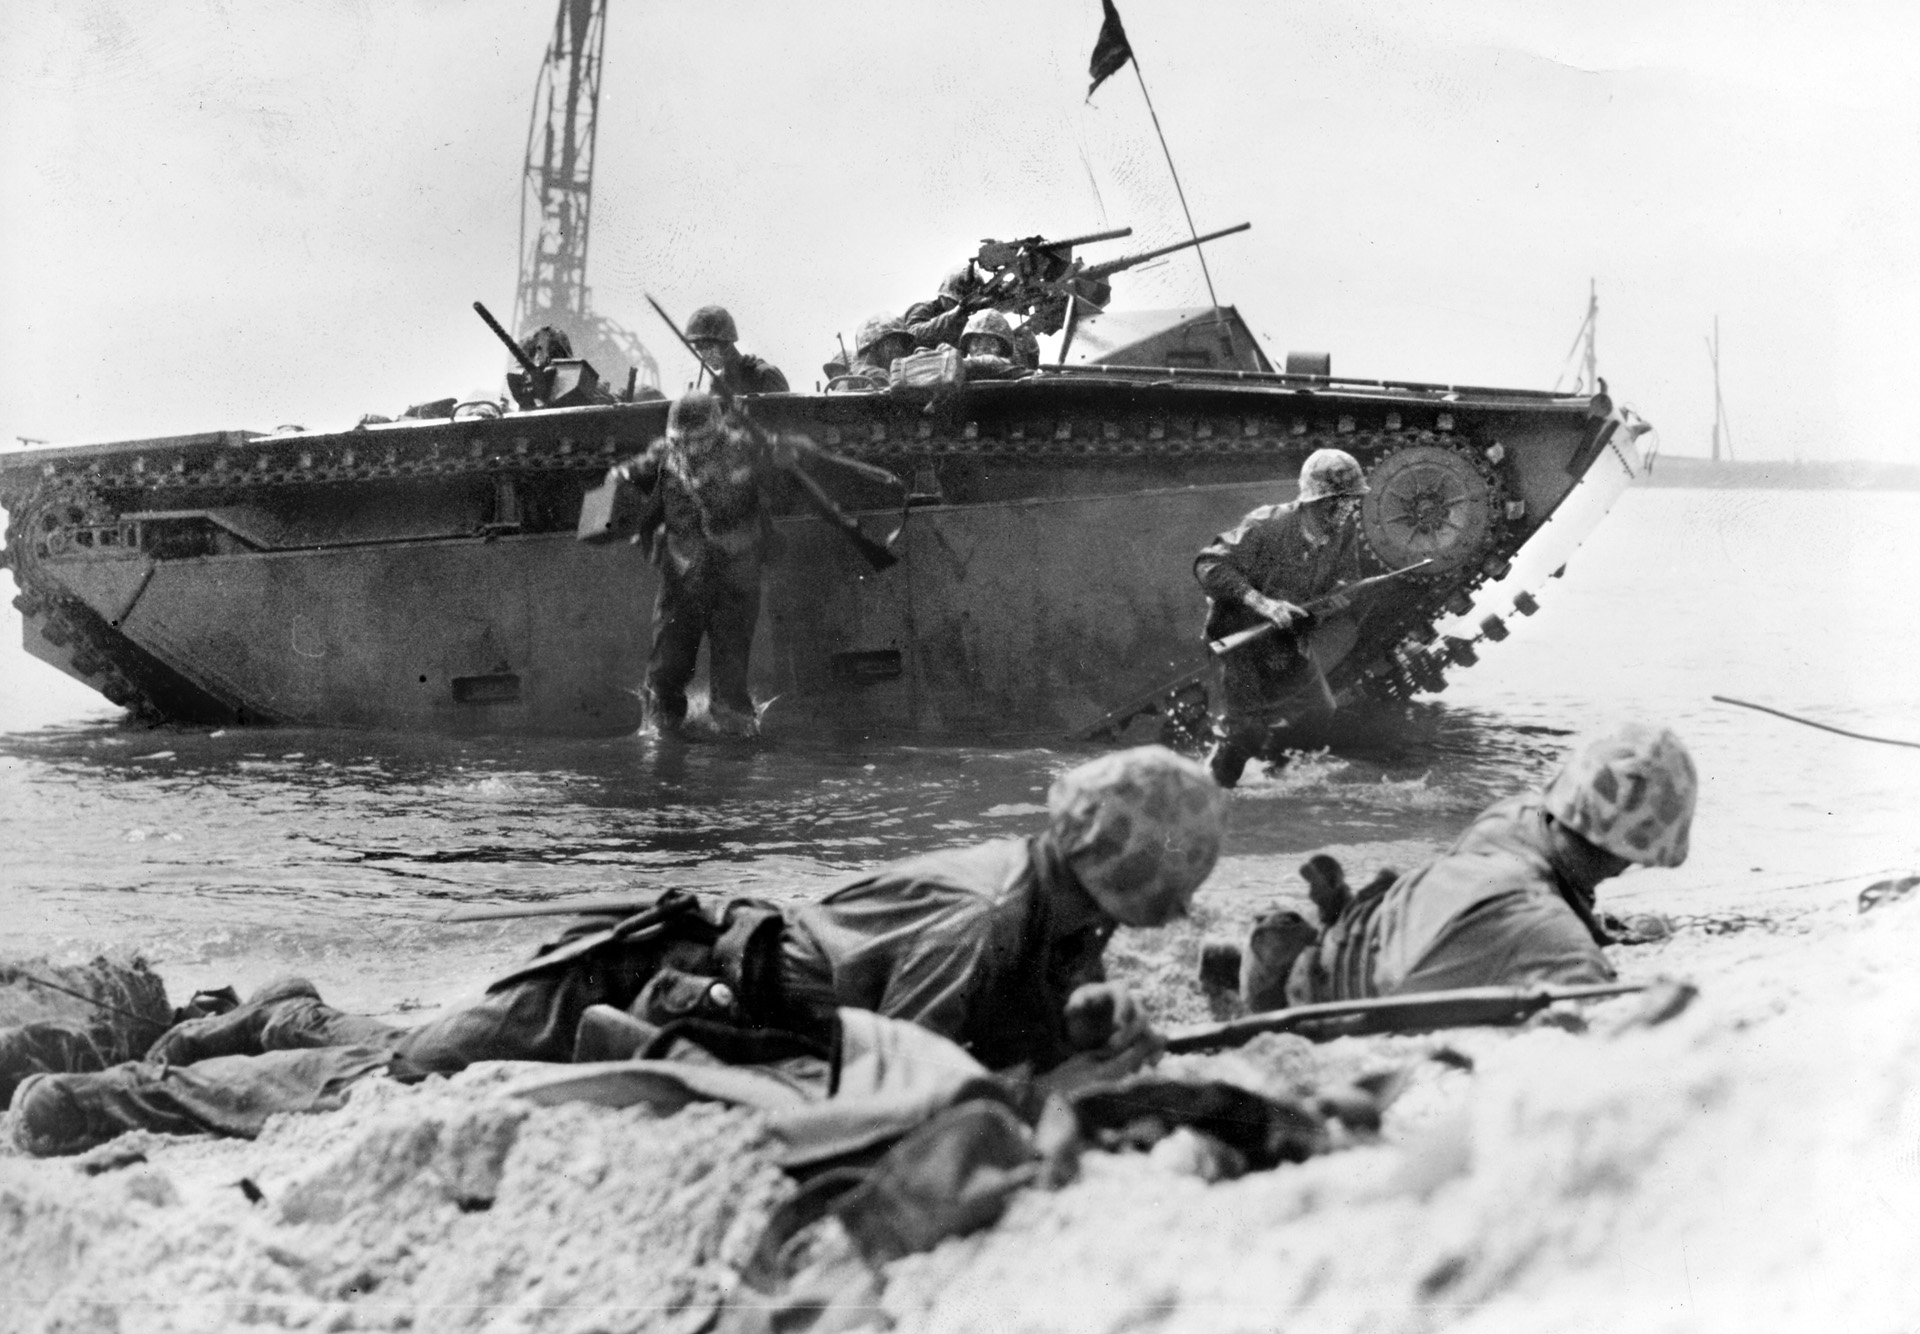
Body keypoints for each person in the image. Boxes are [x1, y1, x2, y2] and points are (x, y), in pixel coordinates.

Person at [9, 747, 1228, 1154]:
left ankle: (284, 1010)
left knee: (418, 1050)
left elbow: (1017, 1012)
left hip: (697, 977)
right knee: (403, 1076)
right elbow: (906, 1087)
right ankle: (104, 1095)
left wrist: (1087, 1030)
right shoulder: (986, 915)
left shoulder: (1045, 897)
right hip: (639, 975)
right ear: (1121, 868)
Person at [1243, 723, 1698, 1010]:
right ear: (1631, 858)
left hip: (1321, 948)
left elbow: (1485, 912)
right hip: (1315, 1007)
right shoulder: (1555, 941)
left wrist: (1599, 931)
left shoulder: (1510, 817)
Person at [606, 390, 798, 739]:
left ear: (718, 430)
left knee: (731, 665)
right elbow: (631, 475)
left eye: (700, 441)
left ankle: (735, 731)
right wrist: (618, 478)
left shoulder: (746, 450)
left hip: (736, 574)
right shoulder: (665, 454)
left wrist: (782, 463)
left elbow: (781, 496)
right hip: (683, 575)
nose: (691, 448)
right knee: (667, 664)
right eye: (684, 441)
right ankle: (661, 729)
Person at [1193, 448, 1372, 788]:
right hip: (1239, 639)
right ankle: (1213, 792)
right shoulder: (1267, 525)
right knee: (1244, 731)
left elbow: (1348, 580)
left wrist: (1326, 606)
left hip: (1287, 641)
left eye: (1353, 502)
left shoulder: (1342, 532)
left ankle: (1272, 780)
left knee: (1318, 713)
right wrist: (1264, 604)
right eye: (1344, 501)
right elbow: (1209, 565)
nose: (1351, 509)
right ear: (1318, 501)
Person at [685, 305, 788, 395]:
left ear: (725, 343)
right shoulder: (718, 385)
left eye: (706, 346)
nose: (703, 355)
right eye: (699, 349)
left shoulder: (764, 375)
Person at [837, 312, 916, 390]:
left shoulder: (843, 380)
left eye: (902, 343)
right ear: (875, 347)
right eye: (894, 342)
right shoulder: (878, 376)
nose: (900, 349)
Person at [956, 310, 1034, 381]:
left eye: (992, 343)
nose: (983, 348)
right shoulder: (955, 376)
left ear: (1003, 349)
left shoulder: (1022, 377)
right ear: (967, 347)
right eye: (976, 342)